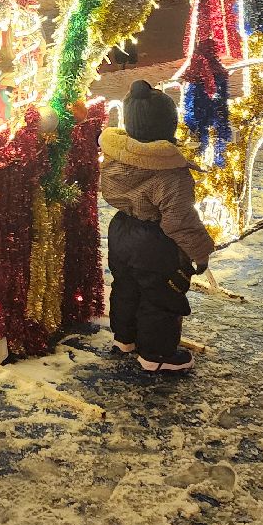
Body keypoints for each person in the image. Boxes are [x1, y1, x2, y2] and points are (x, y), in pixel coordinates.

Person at [100, 79, 215, 372]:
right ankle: (156, 355)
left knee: (126, 286)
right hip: (154, 241)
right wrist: (199, 253)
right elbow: (180, 219)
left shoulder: (117, 155)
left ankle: (124, 338)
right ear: (168, 126)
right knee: (160, 295)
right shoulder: (168, 171)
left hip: (121, 232)